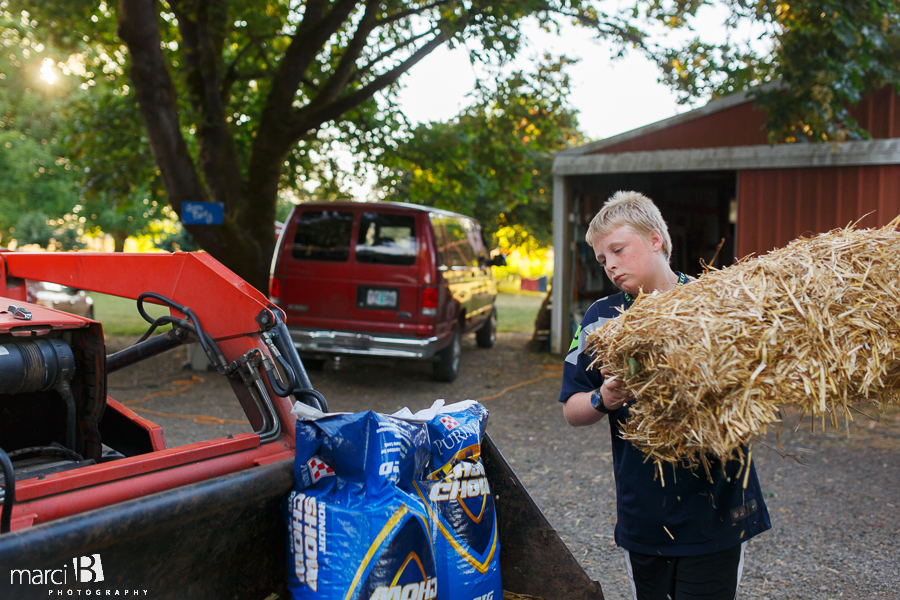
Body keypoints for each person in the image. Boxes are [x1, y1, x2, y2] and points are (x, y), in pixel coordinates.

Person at [559, 191, 771, 600]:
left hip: (717, 510)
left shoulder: (716, 302)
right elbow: (572, 408)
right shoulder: (600, 319)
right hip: (645, 517)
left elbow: (756, 389)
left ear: (655, 239)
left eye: (618, 250)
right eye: (603, 260)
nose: (611, 266)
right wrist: (605, 397)